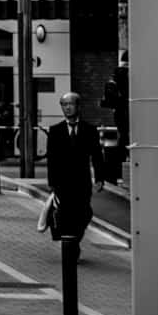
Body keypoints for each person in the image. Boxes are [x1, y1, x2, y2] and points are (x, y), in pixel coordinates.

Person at [45, 91, 105, 260]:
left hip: (82, 181)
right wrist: (51, 181)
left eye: (71, 104)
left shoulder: (89, 130)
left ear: (78, 106)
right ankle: (70, 246)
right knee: (65, 215)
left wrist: (100, 178)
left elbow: (97, 156)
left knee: (84, 213)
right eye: (64, 105)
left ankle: (75, 241)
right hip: (62, 182)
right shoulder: (55, 131)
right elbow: (52, 158)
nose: (67, 108)